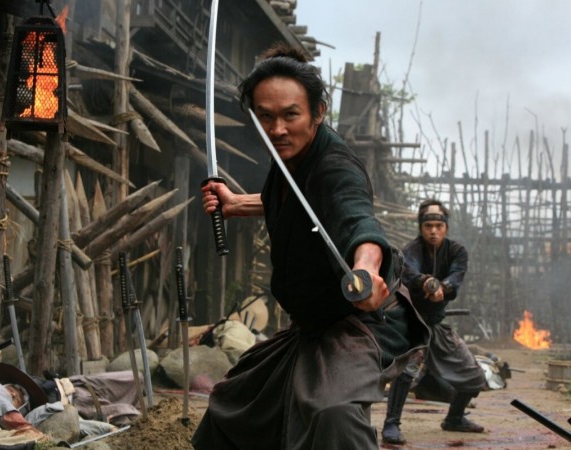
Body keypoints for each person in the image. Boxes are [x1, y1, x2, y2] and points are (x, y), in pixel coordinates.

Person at [193, 44, 428, 450]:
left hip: (358, 323)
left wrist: (366, 270)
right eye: (265, 116)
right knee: (230, 407)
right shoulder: (292, 157)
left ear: (318, 112)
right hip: (310, 326)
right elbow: (299, 203)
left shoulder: (336, 167)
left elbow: (357, 220)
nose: (277, 129)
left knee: (332, 413)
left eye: (290, 115)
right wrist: (237, 204)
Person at [381, 199, 487, 445]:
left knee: (474, 376)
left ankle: (455, 418)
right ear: (421, 227)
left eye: (439, 226)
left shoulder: (457, 251)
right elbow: (411, 272)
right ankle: (391, 424)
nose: (433, 231)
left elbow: (456, 278)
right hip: (411, 323)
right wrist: (427, 282)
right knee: (406, 370)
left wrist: (443, 287)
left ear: (446, 227)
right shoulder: (411, 250)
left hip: (437, 325)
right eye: (428, 226)